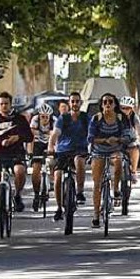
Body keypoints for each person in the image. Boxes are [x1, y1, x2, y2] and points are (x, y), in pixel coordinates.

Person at [87, 93, 135, 228]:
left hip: (116, 149)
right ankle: (96, 215)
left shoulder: (121, 118)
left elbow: (128, 134)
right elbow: (90, 138)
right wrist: (104, 140)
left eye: (110, 102)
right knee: (97, 184)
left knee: (119, 159)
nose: (107, 104)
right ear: (101, 105)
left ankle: (115, 189)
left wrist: (119, 140)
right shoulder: (96, 119)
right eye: (104, 102)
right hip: (99, 150)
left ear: (115, 104)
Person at [48, 91, 90, 222]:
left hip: (80, 150)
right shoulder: (63, 118)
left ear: (81, 103)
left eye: (77, 101)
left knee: (79, 160)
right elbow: (55, 133)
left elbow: (92, 133)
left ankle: (80, 192)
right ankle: (59, 208)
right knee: (58, 175)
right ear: (69, 103)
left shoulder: (85, 117)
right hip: (63, 152)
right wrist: (51, 146)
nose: (75, 103)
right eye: (73, 101)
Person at [0, 91, 31, 215]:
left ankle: (17, 195)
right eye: (1, 104)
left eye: (6, 103)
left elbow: (29, 137)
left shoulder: (20, 119)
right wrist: (1, 143)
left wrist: (18, 137)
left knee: (20, 171)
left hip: (16, 155)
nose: (4, 106)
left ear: (11, 104)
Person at [28, 102, 57, 210]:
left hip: (50, 143)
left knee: (53, 162)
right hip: (38, 144)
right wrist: (30, 152)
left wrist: (54, 151)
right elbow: (31, 135)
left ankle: (52, 180)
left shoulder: (54, 120)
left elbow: (56, 136)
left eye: (46, 117)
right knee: (36, 168)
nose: (44, 119)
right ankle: (36, 194)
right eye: (42, 117)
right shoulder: (35, 119)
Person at [119, 95, 140, 183]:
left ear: (131, 108)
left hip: (130, 140)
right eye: (123, 108)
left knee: (135, 148)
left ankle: (134, 172)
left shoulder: (134, 117)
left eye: (128, 108)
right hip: (117, 140)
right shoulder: (115, 116)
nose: (125, 110)